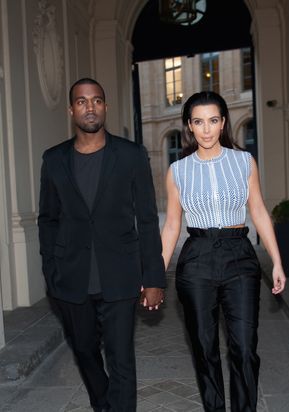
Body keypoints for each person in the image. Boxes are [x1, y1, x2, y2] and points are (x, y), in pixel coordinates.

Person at [38, 77, 165, 412]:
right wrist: (50, 270)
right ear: (71, 110)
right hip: (71, 277)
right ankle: (104, 405)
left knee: (121, 358)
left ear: (105, 106)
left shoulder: (131, 154)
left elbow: (148, 219)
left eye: (96, 100)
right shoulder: (53, 159)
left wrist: (153, 278)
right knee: (83, 351)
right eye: (81, 101)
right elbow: (48, 219)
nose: (89, 107)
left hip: (120, 275)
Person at [161, 91, 286, 412]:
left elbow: (257, 209)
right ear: (189, 126)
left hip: (239, 257)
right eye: (199, 122)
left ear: (223, 123)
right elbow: (173, 225)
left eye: (213, 121)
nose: (206, 129)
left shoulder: (244, 161)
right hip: (197, 258)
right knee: (204, 349)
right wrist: (155, 273)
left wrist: (276, 261)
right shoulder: (178, 171)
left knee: (244, 348)